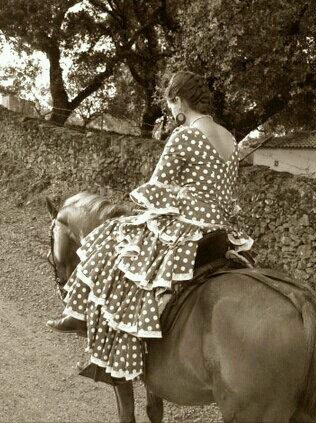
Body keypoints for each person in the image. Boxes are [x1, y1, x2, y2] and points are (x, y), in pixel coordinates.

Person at [47, 71, 253, 381]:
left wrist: (147, 206)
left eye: (170, 105)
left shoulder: (185, 134)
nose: (171, 113)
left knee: (110, 237)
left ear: (178, 101)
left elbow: (157, 186)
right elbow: (224, 192)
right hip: (223, 226)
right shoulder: (229, 138)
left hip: (190, 223)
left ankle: (81, 318)